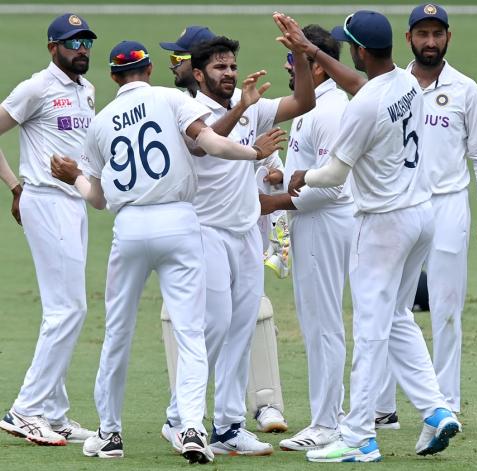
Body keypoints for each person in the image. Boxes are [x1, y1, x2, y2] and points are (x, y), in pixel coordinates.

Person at [50, 40, 285, 462]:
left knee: (117, 333)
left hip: (130, 226)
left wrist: (73, 179)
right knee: (192, 333)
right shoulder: (172, 98)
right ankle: (191, 428)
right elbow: (211, 144)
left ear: (112, 77)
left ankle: (109, 433)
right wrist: (255, 152)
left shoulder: (100, 122)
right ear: (150, 68)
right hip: (179, 222)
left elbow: (98, 198)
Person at [279, 10, 461, 462]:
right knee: (397, 317)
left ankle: (359, 434)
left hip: (383, 224)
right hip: (422, 215)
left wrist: (301, 174)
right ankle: (437, 409)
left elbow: (335, 172)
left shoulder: (363, 106)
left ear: (360, 51)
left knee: (371, 326)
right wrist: (312, 50)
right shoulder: (404, 81)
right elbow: (359, 84)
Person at [160, 34, 314, 456]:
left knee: (242, 326)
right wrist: (243, 111)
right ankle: (179, 418)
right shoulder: (189, 110)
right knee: (215, 326)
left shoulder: (253, 107)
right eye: (218, 68)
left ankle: (227, 427)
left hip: (246, 231)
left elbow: (304, 102)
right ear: (198, 74)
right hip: (205, 231)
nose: (228, 74)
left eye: (231, 66)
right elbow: (201, 145)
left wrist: (301, 55)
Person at [376, 3, 477, 427]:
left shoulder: (466, 89)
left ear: (449, 37)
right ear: (408, 38)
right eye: (422, 34)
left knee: (447, 306)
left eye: (438, 34)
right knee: (390, 305)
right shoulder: (391, 86)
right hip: (400, 204)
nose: (431, 42)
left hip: (448, 203)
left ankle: (446, 403)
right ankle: (382, 406)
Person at [0, 13, 98, 446]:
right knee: (69, 310)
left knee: (64, 308)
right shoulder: (36, 87)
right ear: (52, 47)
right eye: (73, 42)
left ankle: (55, 414)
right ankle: (25, 409)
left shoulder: (88, 90)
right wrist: (15, 185)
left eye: (86, 42)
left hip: (74, 204)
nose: (82, 49)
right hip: (46, 201)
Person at [259, 24, 355, 452]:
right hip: (313, 221)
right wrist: (282, 176)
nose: (288, 70)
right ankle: (330, 417)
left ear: (317, 67)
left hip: (325, 222)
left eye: (294, 62)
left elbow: (332, 185)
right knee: (319, 322)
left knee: (323, 325)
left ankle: (327, 424)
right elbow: (310, 168)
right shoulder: (316, 108)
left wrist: (274, 202)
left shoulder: (330, 111)